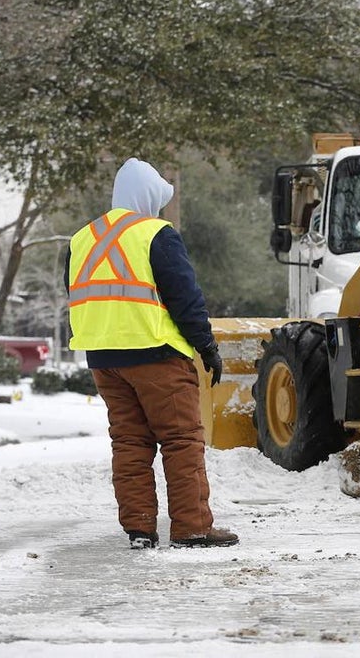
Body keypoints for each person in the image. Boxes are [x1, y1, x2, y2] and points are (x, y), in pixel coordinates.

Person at [65, 158, 238, 550]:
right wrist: (206, 346)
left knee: (129, 442)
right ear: (147, 198)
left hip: (103, 359)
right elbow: (185, 298)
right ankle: (192, 527)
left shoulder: (82, 238)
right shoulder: (156, 234)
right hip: (156, 354)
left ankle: (139, 529)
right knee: (181, 440)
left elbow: (76, 292)